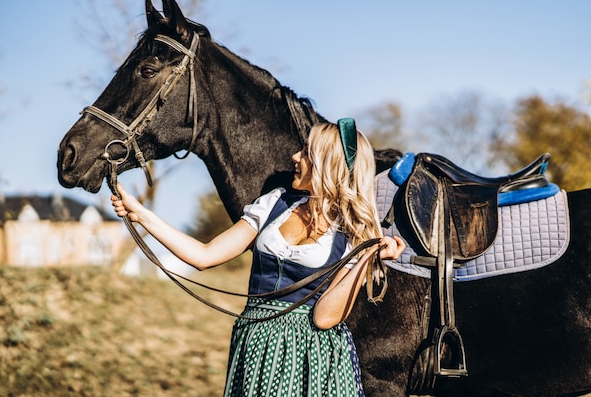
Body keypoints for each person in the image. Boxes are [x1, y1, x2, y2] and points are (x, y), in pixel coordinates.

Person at [111, 118, 406, 397]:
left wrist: (367, 256)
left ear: (327, 165)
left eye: (305, 152)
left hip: (312, 358)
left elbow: (325, 317)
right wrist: (141, 214)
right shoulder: (274, 204)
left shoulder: (354, 234)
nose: (294, 156)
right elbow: (204, 255)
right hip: (256, 342)